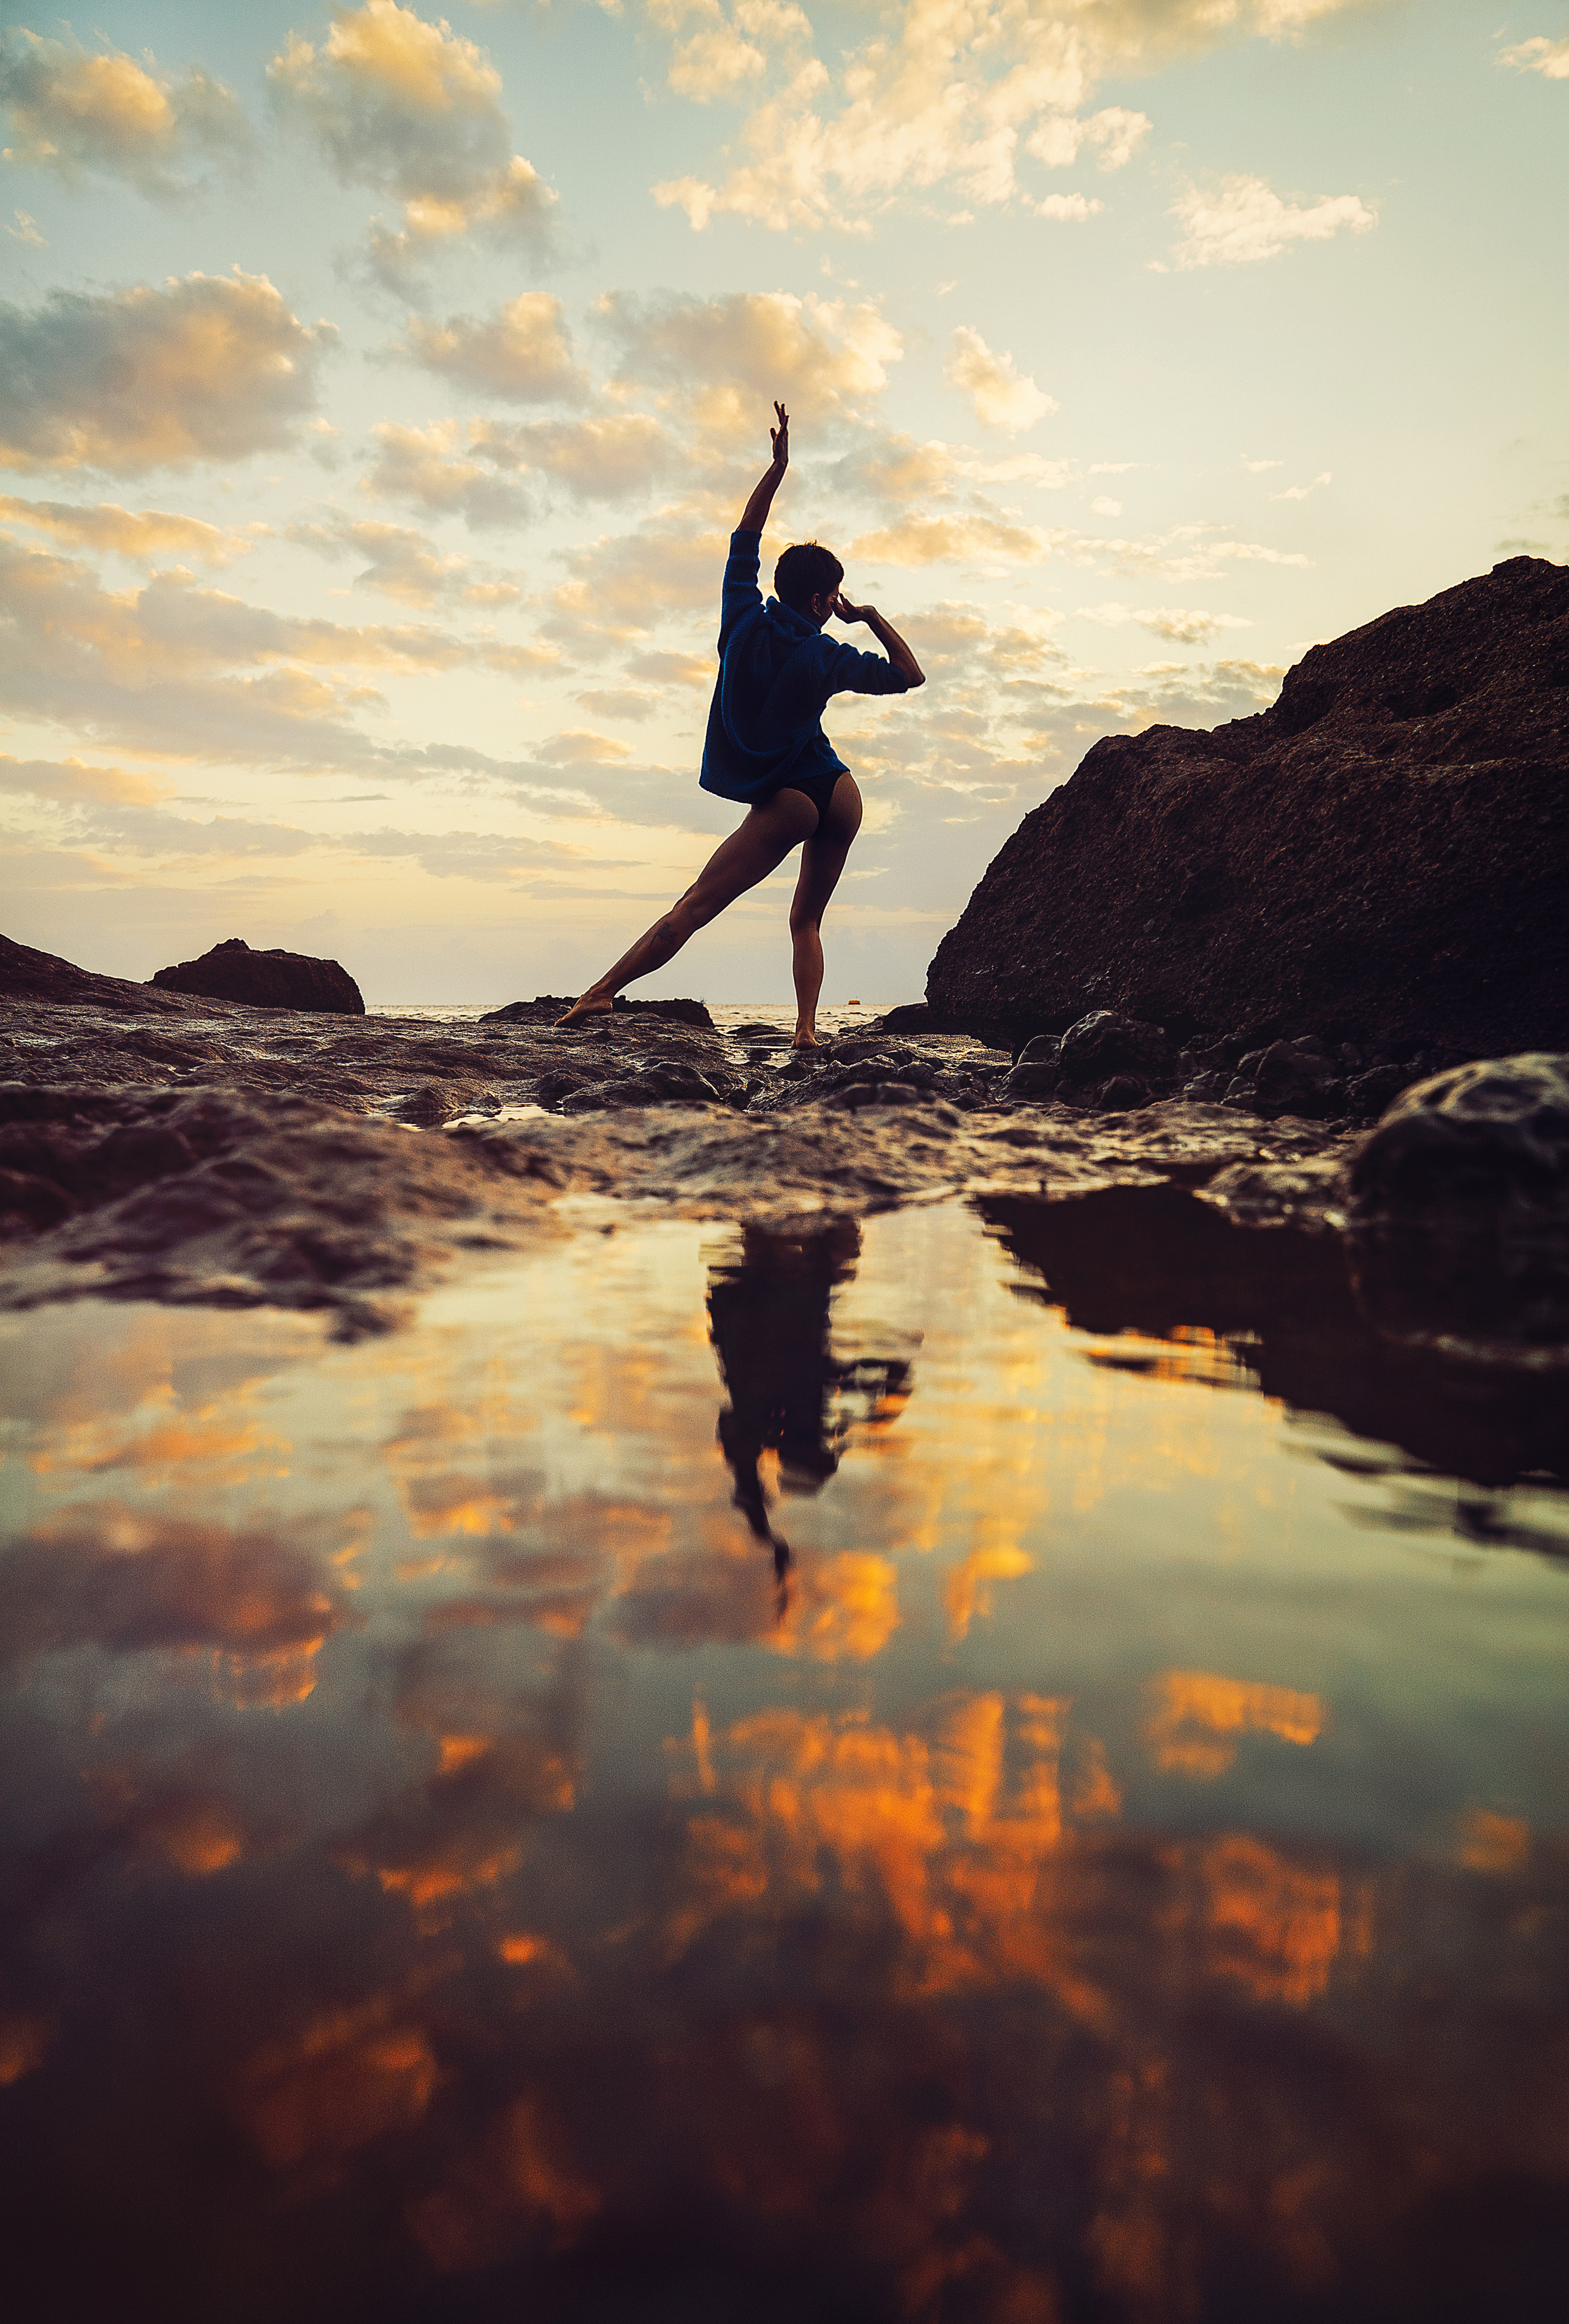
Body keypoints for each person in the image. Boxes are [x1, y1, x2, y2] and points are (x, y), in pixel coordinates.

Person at [557, 402, 925, 1046]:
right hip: (839, 792)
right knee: (806, 921)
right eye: (833, 597)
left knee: (696, 904)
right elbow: (909, 675)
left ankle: (601, 992)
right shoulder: (829, 653)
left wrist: (776, 470)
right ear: (823, 602)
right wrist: (866, 616)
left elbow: (744, 536)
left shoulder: (742, 616)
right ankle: (805, 1031)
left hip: (788, 800)